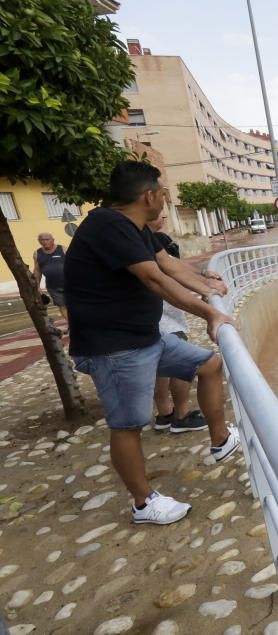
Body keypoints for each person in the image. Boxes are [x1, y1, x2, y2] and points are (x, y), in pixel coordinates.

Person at [65, 160, 240, 526]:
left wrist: (209, 289)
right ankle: (144, 504)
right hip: (114, 348)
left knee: (209, 364)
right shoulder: (106, 225)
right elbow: (155, 281)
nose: (165, 197)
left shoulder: (136, 228)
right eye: (163, 192)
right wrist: (210, 314)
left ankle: (221, 439)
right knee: (128, 424)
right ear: (149, 195)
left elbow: (169, 266)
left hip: (145, 339)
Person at [148, 210, 208, 434]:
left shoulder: (149, 238)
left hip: (158, 318)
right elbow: (171, 270)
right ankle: (181, 416)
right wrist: (206, 297)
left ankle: (165, 414)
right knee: (182, 364)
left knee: (160, 368)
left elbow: (176, 265)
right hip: (164, 319)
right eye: (159, 213)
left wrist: (203, 275)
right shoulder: (147, 241)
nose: (163, 215)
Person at [33, 232, 67, 320]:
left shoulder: (63, 249)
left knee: (74, 304)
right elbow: (37, 270)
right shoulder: (37, 253)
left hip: (69, 284)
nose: (44, 242)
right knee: (62, 306)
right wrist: (37, 286)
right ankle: (72, 324)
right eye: (41, 240)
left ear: (53, 240)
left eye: (47, 239)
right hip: (53, 286)